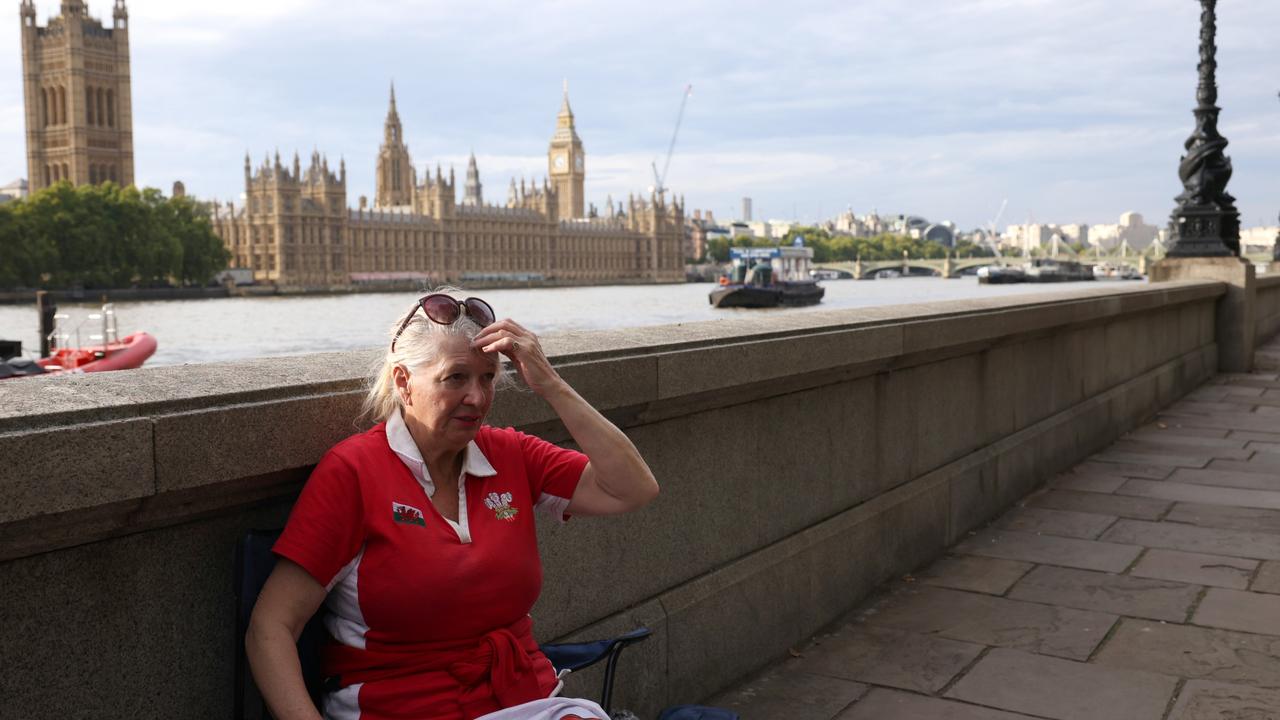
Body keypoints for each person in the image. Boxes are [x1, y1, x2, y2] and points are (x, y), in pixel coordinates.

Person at [246, 291, 660, 720]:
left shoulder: (510, 454)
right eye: (455, 378)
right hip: (400, 708)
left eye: (487, 378)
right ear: (404, 382)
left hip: (525, 701)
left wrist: (551, 384)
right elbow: (270, 629)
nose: (478, 398)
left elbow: (632, 489)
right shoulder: (354, 472)